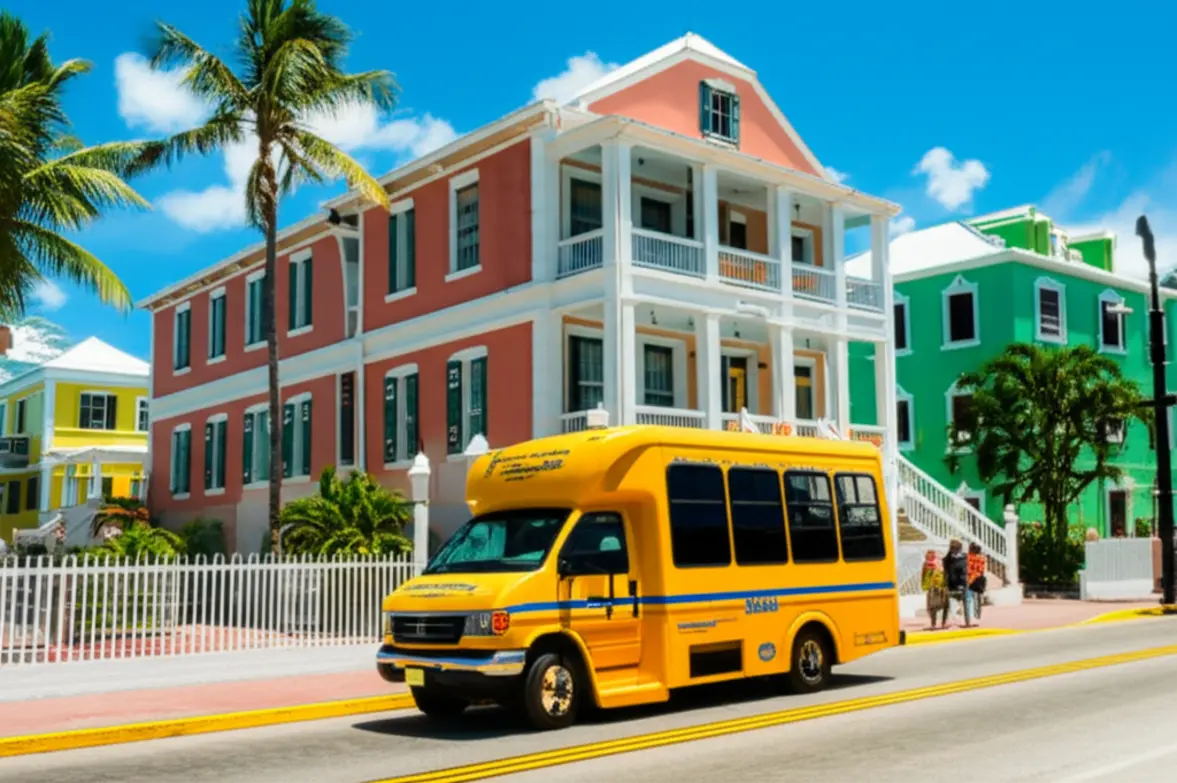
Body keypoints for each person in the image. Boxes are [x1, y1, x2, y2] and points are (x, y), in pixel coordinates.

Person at [943, 539, 969, 627]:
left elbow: (963, 573)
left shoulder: (964, 558)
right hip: (952, 583)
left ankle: (962, 618)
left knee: (963, 601)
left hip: (960, 583)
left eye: (956, 549)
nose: (955, 551)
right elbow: (946, 571)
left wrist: (962, 584)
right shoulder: (948, 559)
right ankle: (954, 619)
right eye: (953, 549)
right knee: (951, 602)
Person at [921, 550, 948, 629]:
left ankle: (933, 624)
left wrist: (924, 587)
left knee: (932, 607)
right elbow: (944, 573)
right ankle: (943, 623)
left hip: (931, 588)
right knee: (945, 605)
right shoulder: (939, 563)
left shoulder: (925, 564)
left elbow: (923, 577)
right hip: (941, 588)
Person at [966, 542, 987, 623]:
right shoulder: (982, 559)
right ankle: (977, 615)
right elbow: (981, 570)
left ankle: (970, 617)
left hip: (969, 580)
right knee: (977, 598)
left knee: (969, 599)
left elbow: (967, 570)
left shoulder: (967, 558)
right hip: (978, 580)